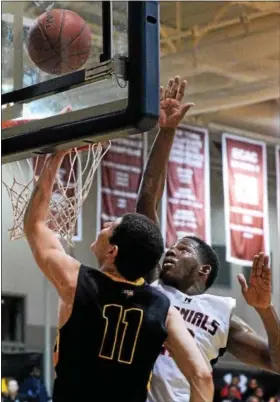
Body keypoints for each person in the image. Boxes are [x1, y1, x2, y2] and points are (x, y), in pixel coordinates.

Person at [23, 149, 214, 402]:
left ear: (113, 251)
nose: (103, 227)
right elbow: (202, 376)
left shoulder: (76, 281)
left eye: (110, 226)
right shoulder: (164, 309)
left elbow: (35, 225)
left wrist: (55, 158)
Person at [136, 76, 280, 402]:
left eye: (182, 249)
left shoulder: (222, 313)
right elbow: (146, 204)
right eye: (171, 247)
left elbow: (276, 362)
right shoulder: (153, 284)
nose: (170, 251)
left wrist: (266, 309)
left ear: (203, 271)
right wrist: (167, 131)